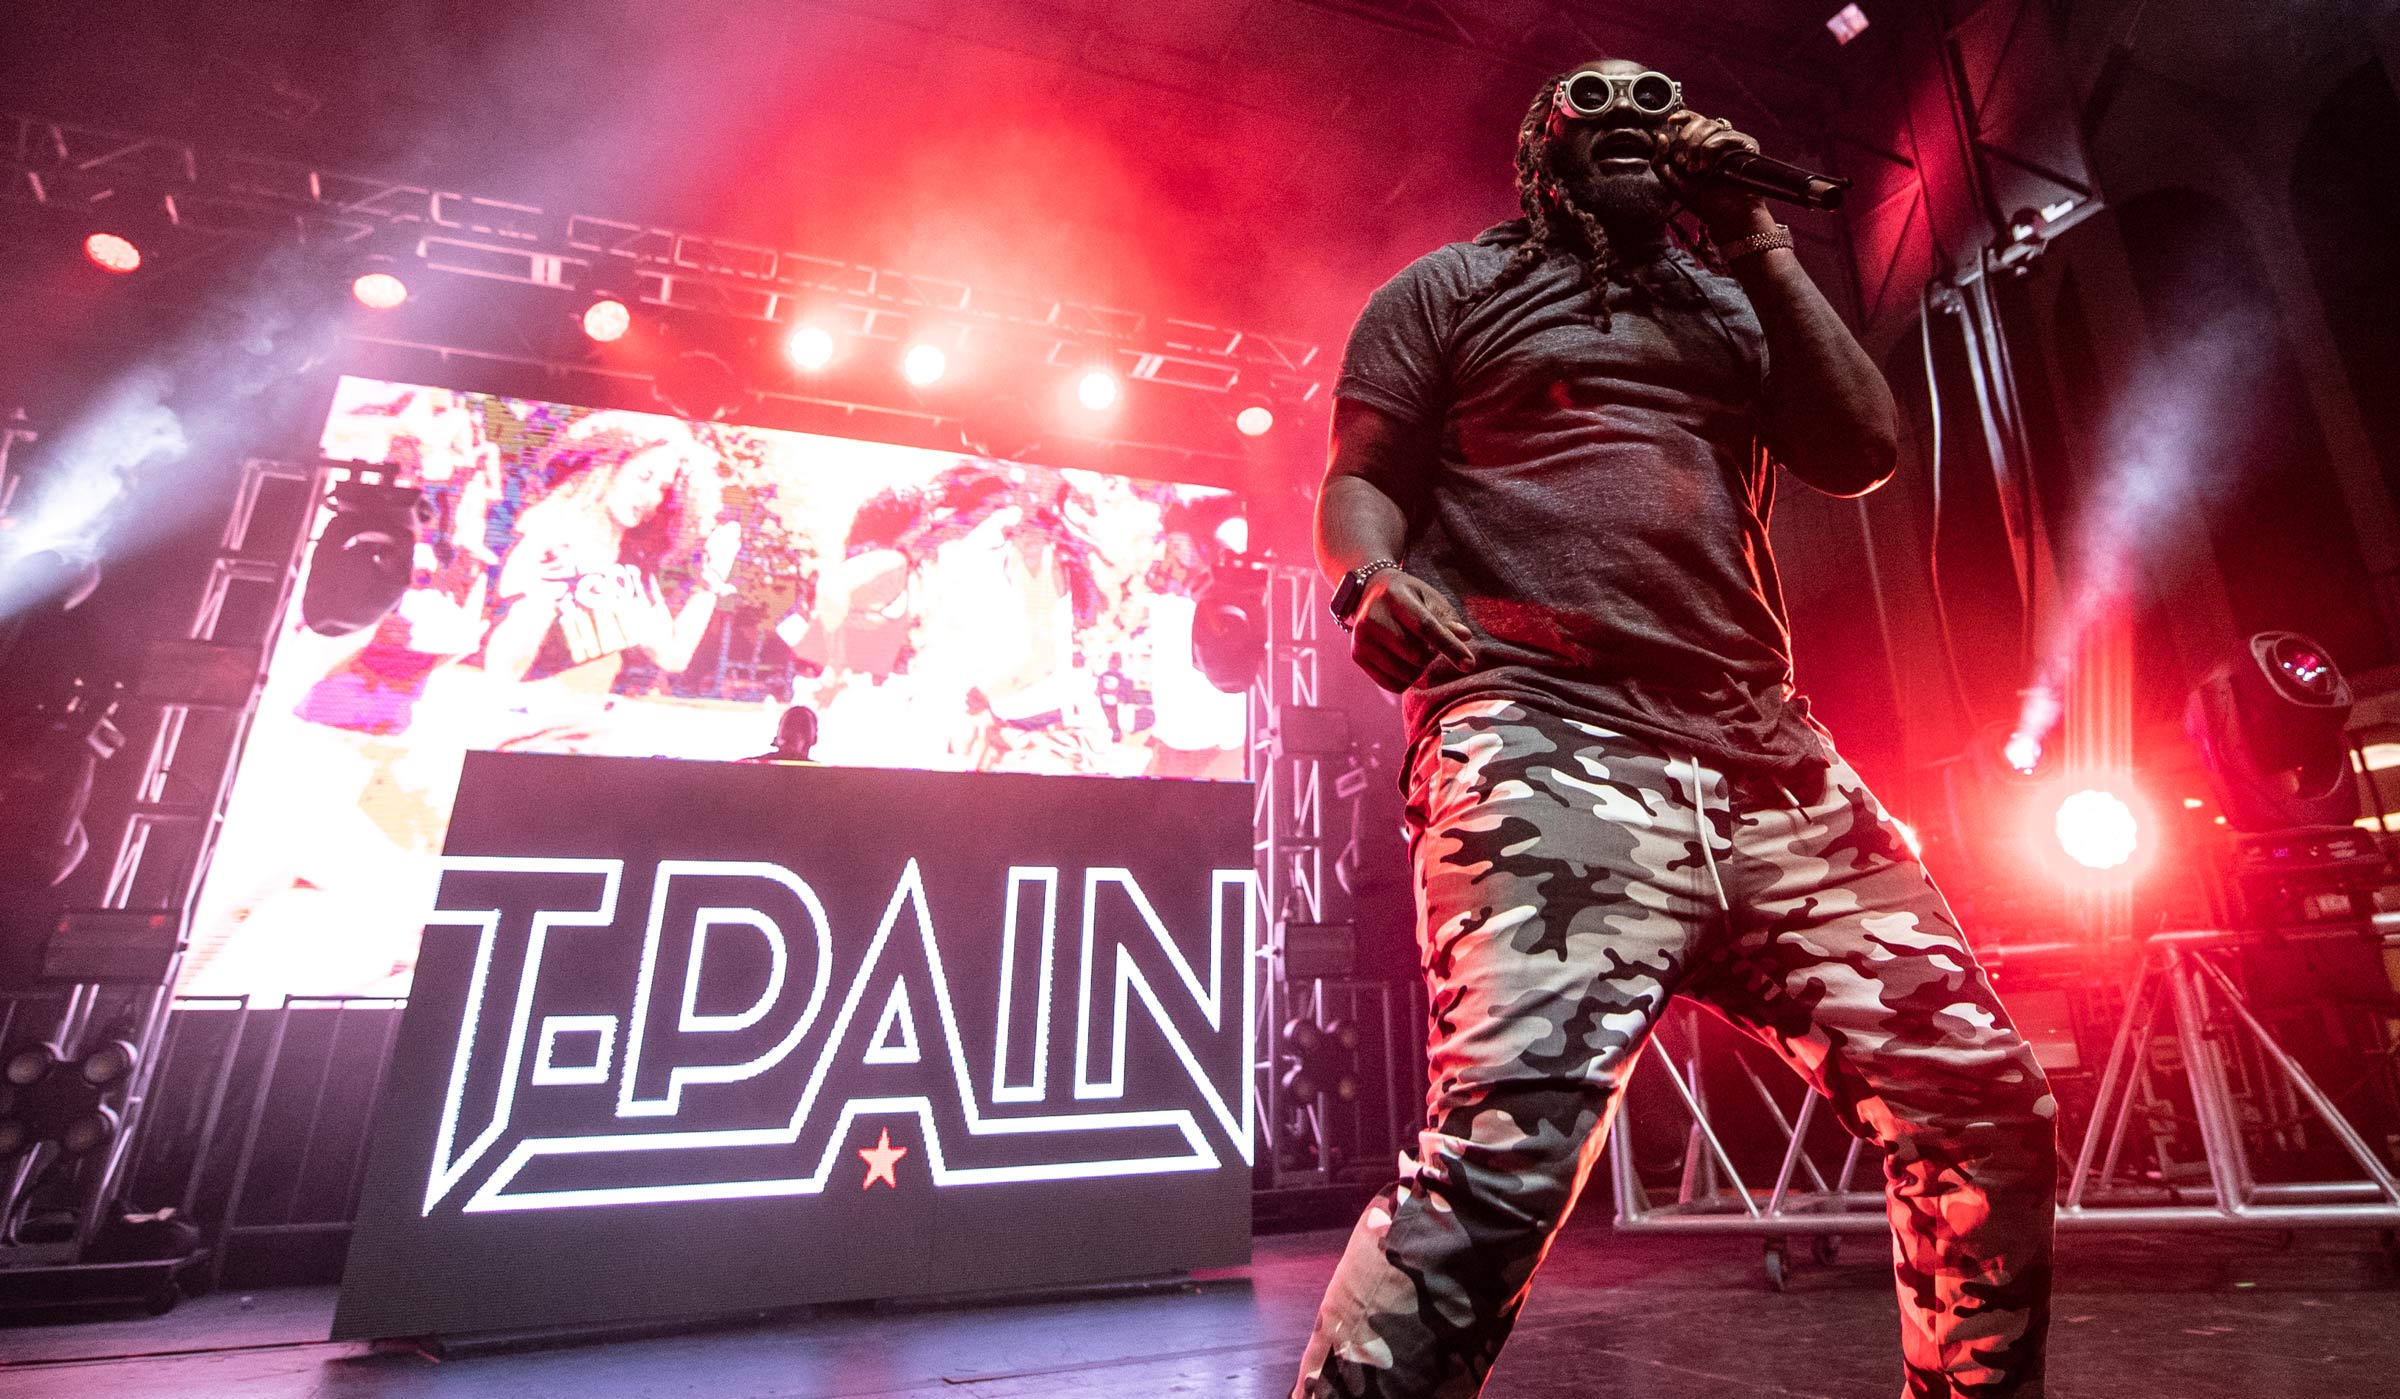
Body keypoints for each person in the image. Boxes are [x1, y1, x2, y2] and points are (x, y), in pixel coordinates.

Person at [1293, 59, 2056, 1399]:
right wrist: (1370, 576)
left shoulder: (1732, 296)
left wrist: (1757, 236)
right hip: (1540, 725)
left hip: (1765, 759)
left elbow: (1860, 445)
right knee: (1508, 1153)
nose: (1633, 110)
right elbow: (1361, 477)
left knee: (1983, 1101)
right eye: (1594, 100)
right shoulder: (1449, 289)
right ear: (1541, 152)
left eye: (1659, 96)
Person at [743, 704, 818, 763]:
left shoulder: (747, 766)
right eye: (789, 725)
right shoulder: (747, 766)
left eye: (803, 726)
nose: (794, 733)